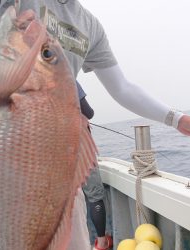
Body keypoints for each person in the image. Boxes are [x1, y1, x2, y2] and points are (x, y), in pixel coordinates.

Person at [0, 0, 190, 249]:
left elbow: (121, 88)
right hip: (0, 167)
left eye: (46, 53)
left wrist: (177, 119)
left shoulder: (89, 25)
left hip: (58, 170)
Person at [76, 80, 112, 250]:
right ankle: (102, 242)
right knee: (94, 195)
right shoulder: (63, 73)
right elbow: (88, 111)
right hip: (78, 144)